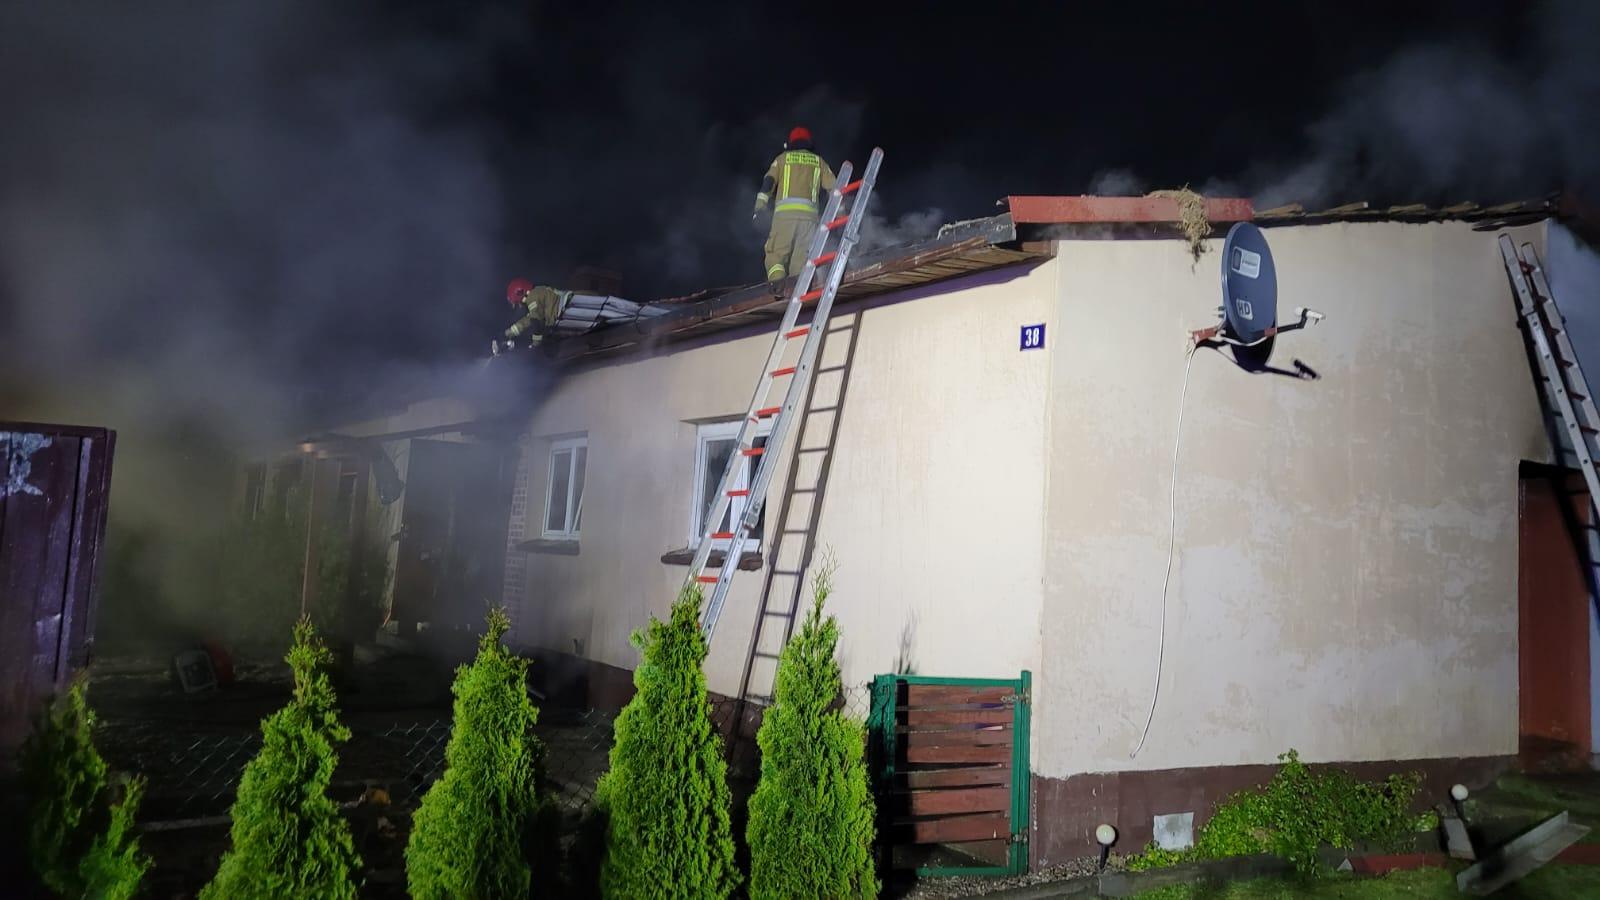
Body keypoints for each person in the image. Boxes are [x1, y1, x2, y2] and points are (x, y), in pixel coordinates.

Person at [752, 126, 836, 284]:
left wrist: (759, 209)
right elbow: (835, 188)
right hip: (809, 221)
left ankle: (777, 285)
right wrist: (841, 212)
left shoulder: (782, 159)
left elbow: (768, 183)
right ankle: (797, 288)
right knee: (800, 262)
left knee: (776, 256)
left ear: (790, 143)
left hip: (785, 218)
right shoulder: (819, 162)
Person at [494, 278, 568, 355]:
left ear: (521, 294)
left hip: (559, 315)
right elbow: (528, 320)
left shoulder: (532, 297)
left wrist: (535, 345)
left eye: (518, 302)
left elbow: (537, 322)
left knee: (544, 342)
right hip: (559, 315)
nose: (520, 305)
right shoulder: (537, 293)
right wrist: (508, 333)